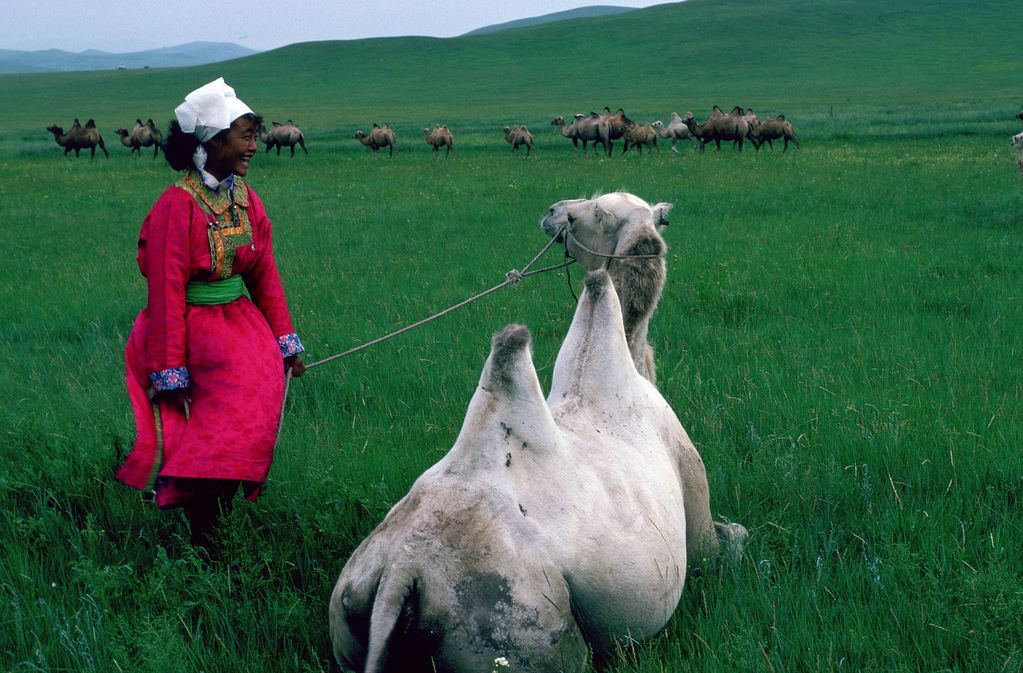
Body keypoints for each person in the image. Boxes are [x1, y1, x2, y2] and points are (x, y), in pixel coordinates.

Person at [116, 77, 305, 551]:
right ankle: (206, 535)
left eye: (256, 136)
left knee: (242, 429)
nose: (254, 147)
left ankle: (216, 525)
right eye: (245, 136)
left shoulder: (246, 198)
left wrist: (286, 345)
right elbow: (164, 293)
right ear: (213, 140)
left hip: (243, 331)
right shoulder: (174, 207)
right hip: (195, 341)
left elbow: (266, 275)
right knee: (207, 442)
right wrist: (170, 370)